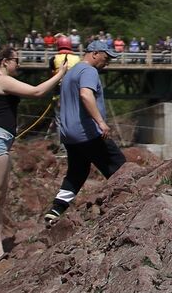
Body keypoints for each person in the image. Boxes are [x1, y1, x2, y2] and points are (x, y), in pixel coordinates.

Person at [0, 46, 67, 258]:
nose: (19, 64)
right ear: (5, 62)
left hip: (1, 141)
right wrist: (60, 74)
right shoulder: (0, 79)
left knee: (0, 196)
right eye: (17, 60)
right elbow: (36, 92)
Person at [41, 40, 128, 225]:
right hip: (87, 132)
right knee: (120, 167)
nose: (108, 62)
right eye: (106, 57)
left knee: (77, 171)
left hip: (68, 135)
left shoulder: (71, 72)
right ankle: (129, 205)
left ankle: (57, 208)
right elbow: (85, 95)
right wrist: (101, 122)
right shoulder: (89, 71)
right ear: (94, 53)